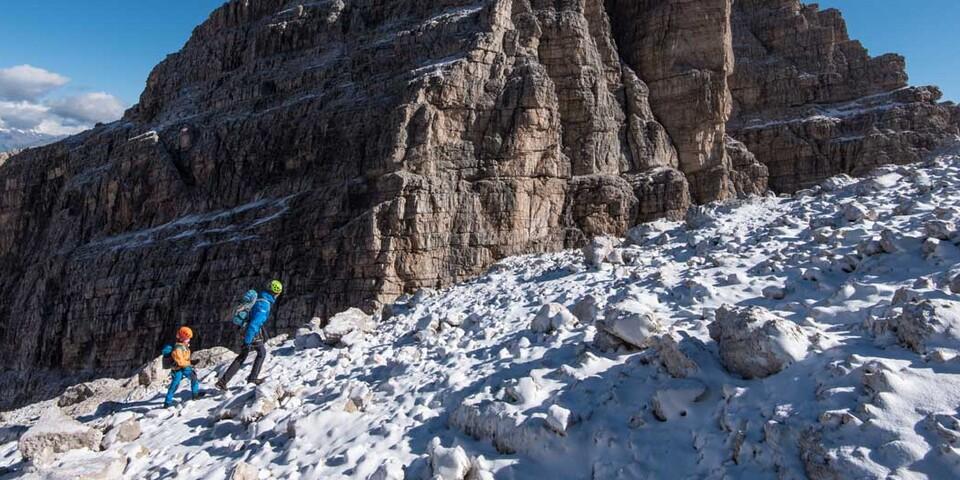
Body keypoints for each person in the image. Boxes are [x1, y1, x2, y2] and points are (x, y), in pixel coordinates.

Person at [216, 280, 282, 389]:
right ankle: (252, 378)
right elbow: (254, 324)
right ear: (276, 293)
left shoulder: (260, 297)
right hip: (250, 332)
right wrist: (247, 341)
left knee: (244, 355)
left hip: (244, 328)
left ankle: (223, 381)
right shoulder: (264, 305)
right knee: (261, 353)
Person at [164, 326, 201, 408]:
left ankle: (195, 394)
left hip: (184, 367)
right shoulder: (178, 348)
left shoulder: (184, 346)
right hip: (178, 369)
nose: (189, 339)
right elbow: (180, 361)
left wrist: (190, 362)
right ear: (182, 338)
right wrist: (190, 363)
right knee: (175, 384)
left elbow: (184, 359)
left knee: (194, 378)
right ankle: (167, 402)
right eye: (188, 338)